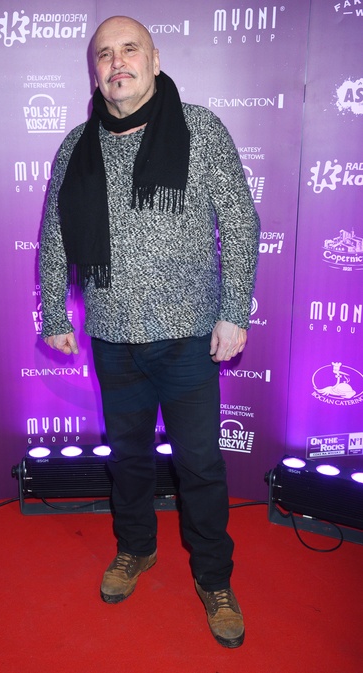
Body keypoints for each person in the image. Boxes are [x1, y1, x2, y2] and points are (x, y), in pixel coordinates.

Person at [39, 16, 260, 649]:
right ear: (95, 72)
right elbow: (55, 232)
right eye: (104, 54)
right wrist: (55, 313)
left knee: (200, 465)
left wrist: (235, 311)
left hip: (189, 338)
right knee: (129, 459)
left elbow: (240, 223)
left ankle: (214, 579)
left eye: (129, 49)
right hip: (113, 339)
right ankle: (136, 547)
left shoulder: (201, 130)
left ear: (154, 60)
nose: (117, 62)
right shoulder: (77, 146)